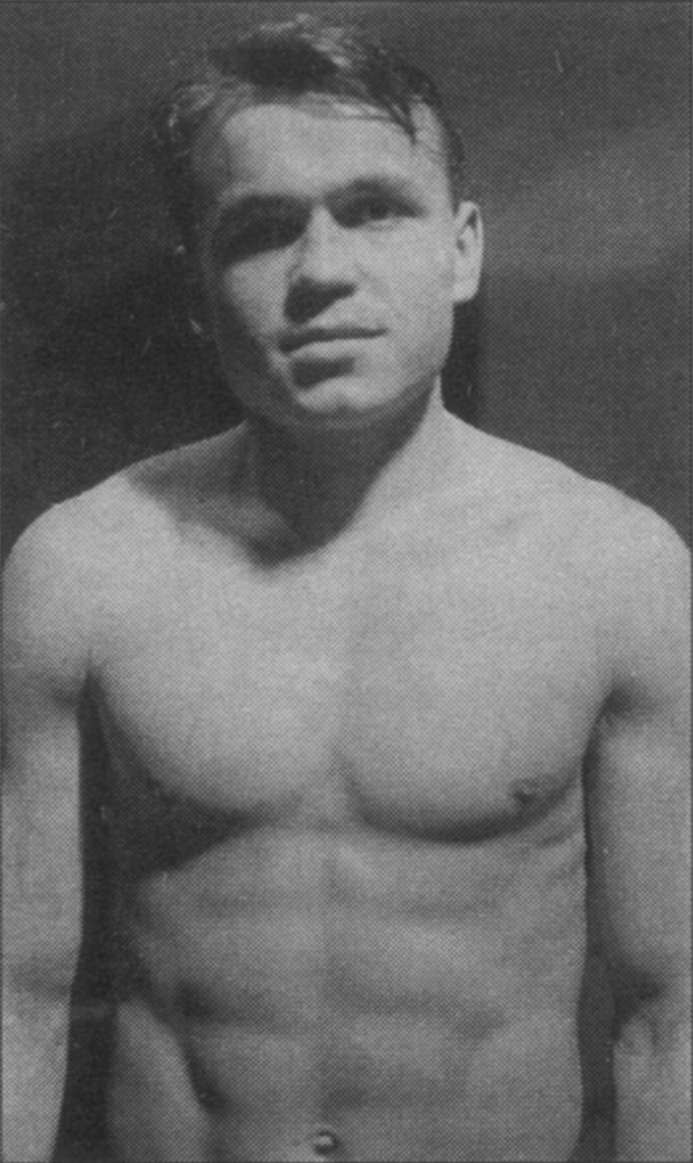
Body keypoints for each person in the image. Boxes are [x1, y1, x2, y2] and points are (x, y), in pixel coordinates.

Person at [3, 15, 690, 1163]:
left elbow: (673, 1017)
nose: (322, 271)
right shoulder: (84, 567)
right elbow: (14, 997)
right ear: (198, 285)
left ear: (461, 250)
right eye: (263, 229)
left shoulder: (616, 571)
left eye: (374, 209)